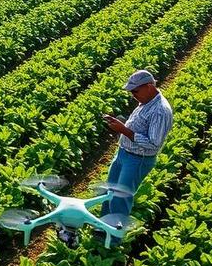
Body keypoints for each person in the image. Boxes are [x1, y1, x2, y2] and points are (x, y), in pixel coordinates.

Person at [57, 69, 173, 248]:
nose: (133, 95)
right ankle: (102, 228)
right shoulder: (145, 101)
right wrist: (120, 125)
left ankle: (113, 239)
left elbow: (153, 143)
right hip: (124, 154)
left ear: (149, 87)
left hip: (138, 159)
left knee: (121, 197)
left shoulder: (160, 110)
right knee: (110, 192)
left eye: (135, 91)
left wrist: (123, 130)